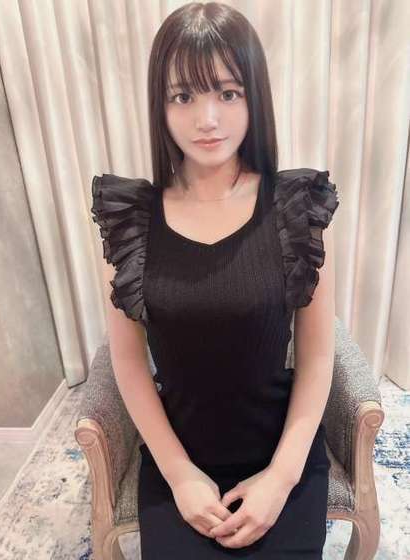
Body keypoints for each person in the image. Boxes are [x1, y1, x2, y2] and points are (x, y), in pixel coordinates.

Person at [90, 2, 339, 558]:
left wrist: (281, 478)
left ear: (254, 98)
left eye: (228, 93)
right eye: (183, 96)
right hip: (179, 460)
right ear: (160, 105)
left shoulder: (297, 208)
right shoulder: (129, 220)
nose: (207, 119)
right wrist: (179, 475)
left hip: (282, 453)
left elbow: (320, 355)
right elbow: (128, 361)